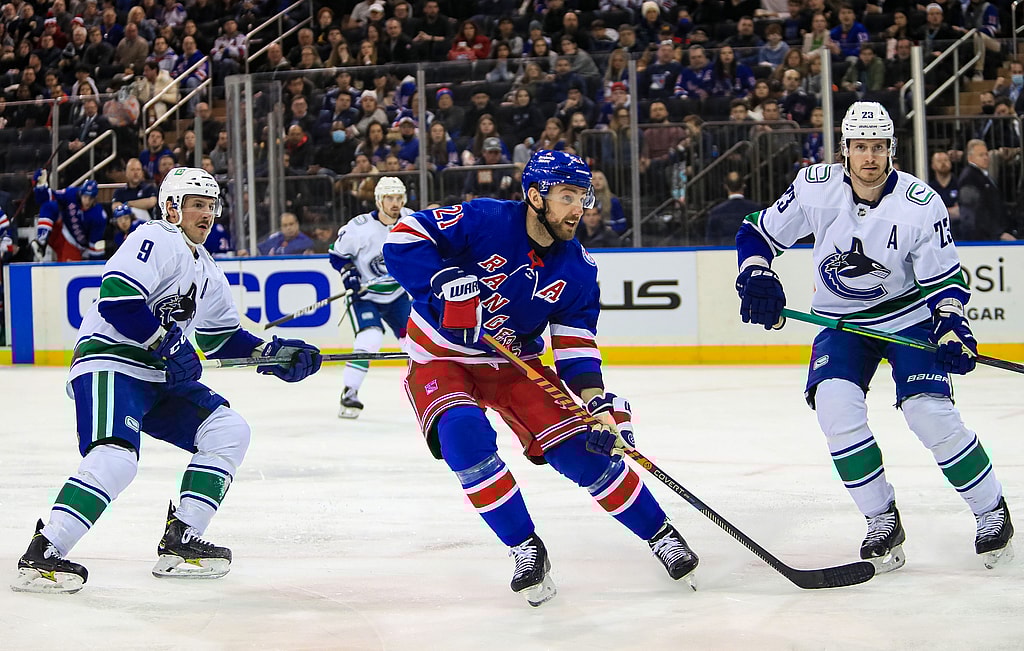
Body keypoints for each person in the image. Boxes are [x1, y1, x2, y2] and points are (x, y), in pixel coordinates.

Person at [381, 150, 699, 607]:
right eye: (567, 196)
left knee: (583, 452)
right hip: (441, 356)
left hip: (515, 362)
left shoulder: (579, 268)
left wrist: (596, 401)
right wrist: (441, 280)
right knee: (463, 438)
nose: (578, 208)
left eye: (583, 197)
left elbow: (574, 343)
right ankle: (525, 547)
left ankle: (660, 534)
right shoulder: (486, 218)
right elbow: (405, 236)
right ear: (535, 196)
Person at [11, 167, 322, 594]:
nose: (207, 214)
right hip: (112, 362)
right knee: (116, 459)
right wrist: (167, 344)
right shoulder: (156, 237)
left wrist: (270, 353)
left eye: (211, 206)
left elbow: (220, 338)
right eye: (197, 204)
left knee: (227, 430)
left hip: (158, 374)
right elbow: (119, 299)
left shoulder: (206, 267)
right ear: (172, 207)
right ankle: (44, 551)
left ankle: (182, 539)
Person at [734, 102, 1014, 574]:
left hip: (907, 318)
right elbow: (756, 232)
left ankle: (991, 510)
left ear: (891, 150)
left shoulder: (920, 204)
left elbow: (945, 279)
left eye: (878, 147)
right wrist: (756, 272)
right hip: (841, 324)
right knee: (836, 411)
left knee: (930, 414)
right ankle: (881, 517)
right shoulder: (814, 187)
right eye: (860, 146)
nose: (869, 156)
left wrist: (951, 322)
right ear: (845, 149)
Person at [328, 177, 413, 418]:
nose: (395, 203)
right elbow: (337, 255)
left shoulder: (411, 220)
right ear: (378, 200)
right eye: (389, 198)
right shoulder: (360, 227)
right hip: (365, 295)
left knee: (414, 342)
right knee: (370, 338)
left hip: (396, 295)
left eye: (398, 198)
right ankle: (350, 392)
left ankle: (425, 388)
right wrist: (349, 273)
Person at [31, 173, 108, 262]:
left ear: (95, 198)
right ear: (81, 193)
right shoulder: (71, 194)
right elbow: (46, 198)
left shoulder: (99, 216)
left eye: (91, 198)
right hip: (60, 231)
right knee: (48, 206)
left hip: (75, 245)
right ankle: (41, 243)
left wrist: (94, 266)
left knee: (67, 267)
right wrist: (40, 187)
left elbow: (94, 244)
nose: (87, 201)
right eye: (85, 196)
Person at [957, 139, 1017, 241]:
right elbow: (974, 212)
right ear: (970, 158)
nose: (985, 158)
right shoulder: (969, 178)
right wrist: (997, 233)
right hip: (983, 238)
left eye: (986, 154)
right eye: (981, 155)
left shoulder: (983, 175)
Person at [705, 171, 762, 246]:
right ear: (743, 185)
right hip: (750, 250)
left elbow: (710, 241)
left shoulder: (716, 212)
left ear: (725, 186)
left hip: (723, 251)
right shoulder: (756, 210)